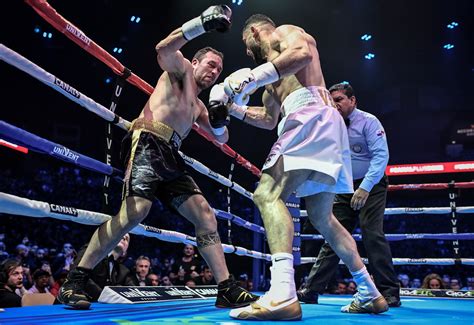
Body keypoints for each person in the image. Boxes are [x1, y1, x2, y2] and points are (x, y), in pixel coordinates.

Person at [58, 5, 257, 310]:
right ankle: (75, 279)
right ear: (195, 61)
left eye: (219, 69)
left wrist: (221, 117)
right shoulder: (181, 72)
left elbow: (221, 139)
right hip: (149, 140)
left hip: (171, 156)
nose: (215, 71)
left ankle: (225, 287)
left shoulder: (199, 106)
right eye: (212, 64)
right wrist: (202, 24)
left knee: (205, 215)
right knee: (135, 212)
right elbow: (163, 48)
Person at [213, 14, 388, 320]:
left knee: (266, 194)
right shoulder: (272, 82)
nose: (246, 52)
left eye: (245, 44)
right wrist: (234, 108)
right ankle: (369, 293)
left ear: (255, 32)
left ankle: (282, 293)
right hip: (317, 123)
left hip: (311, 116)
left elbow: (302, 54)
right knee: (323, 218)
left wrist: (252, 77)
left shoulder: (285, 33)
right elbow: (269, 119)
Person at [297, 83, 401, 307]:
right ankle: (311, 289)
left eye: (340, 99)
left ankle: (389, 292)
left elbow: (381, 156)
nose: (335, 104)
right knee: (333, 234)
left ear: (353, 101)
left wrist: (364, 187)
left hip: (371, 184)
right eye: (332, 99)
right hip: (343, 185)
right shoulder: (329, 124)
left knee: (371, 232)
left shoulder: (369, 121)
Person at [72, 234, 134, 301]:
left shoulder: (121, 270)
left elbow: (134, 290)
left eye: (127, 239)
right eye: (121, 234)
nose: (124, 237)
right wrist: (105, 296)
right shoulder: (92, 250)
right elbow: (76, 274)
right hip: (79, 305)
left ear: (125, 252)